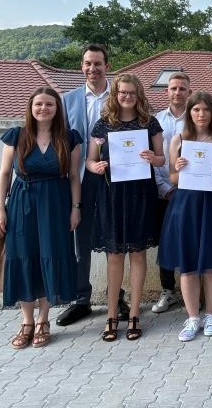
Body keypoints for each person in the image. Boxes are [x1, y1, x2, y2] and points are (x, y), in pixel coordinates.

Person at [0, 88, 82, 349]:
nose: (44, 108)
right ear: (31, 107)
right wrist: (0, 208)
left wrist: (76, 208)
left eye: (50, 104)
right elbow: (4, 175)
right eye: (39, 104)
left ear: (57, 109)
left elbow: (75, 177)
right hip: (22, 204)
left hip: (56, 203)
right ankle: (27, 322)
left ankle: (44, 320)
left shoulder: (69, 138)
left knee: (50, 256)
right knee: (23, 257)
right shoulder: (17, 136)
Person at [159, 92, 212, 342]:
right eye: (196, 110)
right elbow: (172, 178)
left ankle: (210, 315)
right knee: (188, 265)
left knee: (211, 265)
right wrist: (181, 169)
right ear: (190, 113)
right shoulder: (178, 140)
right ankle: (192, 317)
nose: (201, 114)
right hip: (185, 205)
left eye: (206, 110)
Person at [86, 73, 164, 341]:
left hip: (141, 195)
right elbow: (89, 161)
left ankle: (134, 315)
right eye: (122, 92)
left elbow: (162, 159)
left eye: (132, 92)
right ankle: (110, 316)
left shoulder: (149, 123)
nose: (127, 96)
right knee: (114, 256)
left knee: (138, 254)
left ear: (138, 95)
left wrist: (153, 158)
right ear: (115, 94)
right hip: (111, 196)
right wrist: (95, 167)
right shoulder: (102, 125)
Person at [57, 44, 127, 327]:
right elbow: (61, 140)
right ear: (81, 66)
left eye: (97, 63)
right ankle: (81, 299)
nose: (92, 68)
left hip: (116, 177)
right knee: (81, 241)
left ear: (107, 66)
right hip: (80, 179)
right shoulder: (67, 100)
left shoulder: (122, 96)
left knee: (116, 238)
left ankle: (116, 296)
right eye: (87, 63)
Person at [151, 72, 190, 314]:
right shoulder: (155, 121)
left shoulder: (198, 118)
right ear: (166, 91)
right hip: (163, 192)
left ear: (189, 92)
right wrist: (164, 189)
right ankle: (168, 291)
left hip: (191, 192)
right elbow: (150, 159)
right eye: (173, 88)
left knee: (191, 240)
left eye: (182, 89)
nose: (177, 92)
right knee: (164, 243)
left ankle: (193, 291)